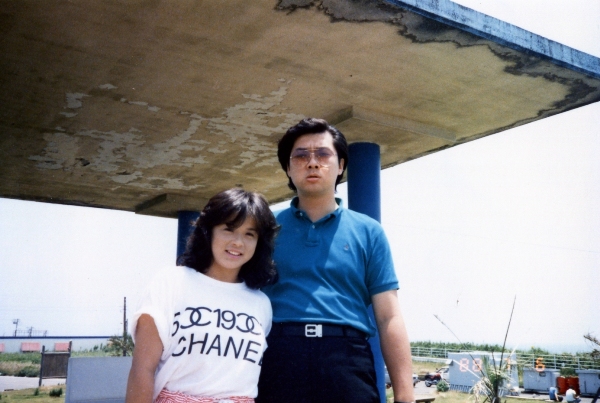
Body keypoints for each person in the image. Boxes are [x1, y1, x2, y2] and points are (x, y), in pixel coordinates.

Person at [256, 118, 415, 403]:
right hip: (278, 358)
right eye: (301, 156)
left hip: (347, 360)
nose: (312, 163)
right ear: (288, 168)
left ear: (341, 165)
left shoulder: (369, 232)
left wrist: (405, 396)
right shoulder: (263, 228)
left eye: (323, 154)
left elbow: (388, 316)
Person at [125, 188, 279, 403]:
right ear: (209, 232)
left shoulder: (261, 303)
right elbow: (142, 369)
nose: (238, 242)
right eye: (228, 229)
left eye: (249, 234)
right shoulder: (170, 283)